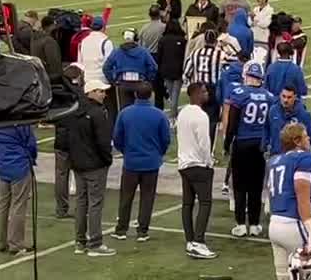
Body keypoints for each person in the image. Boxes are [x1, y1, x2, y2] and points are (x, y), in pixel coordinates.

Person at [112, 80, 172, 242]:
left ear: (135, 95)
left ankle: (121, 229)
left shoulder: (125, 113)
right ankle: (142, 231)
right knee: (147, 197)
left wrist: (126, 151)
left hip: (131, 162)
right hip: (151, 163)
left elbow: (117, 138)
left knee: (126, 197)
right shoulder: (159, 115)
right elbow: (166, 139)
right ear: (151, 95)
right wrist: (158, 153)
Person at [62, 80, 116, 257]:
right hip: (95, 166)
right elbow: (103, 142)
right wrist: (107, 160)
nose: (104, 94)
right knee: (95, 204)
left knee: (81, 202)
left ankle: (80, 242)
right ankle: (95, 243)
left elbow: (67, 139)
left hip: (78, 165)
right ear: (91, 92)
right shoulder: (98, 113)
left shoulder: (74, 111)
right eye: (100, 91)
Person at [225, 62, 275, 236]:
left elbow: (232, 122)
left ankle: (240, 224)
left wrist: (227, 142)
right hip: (259, 145)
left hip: (242, 143)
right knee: (255, 186)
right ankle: (254, 224)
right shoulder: (269, 96)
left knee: (240, 185)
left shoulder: (239, 94)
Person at [267, 123, 311, 280]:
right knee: (308, 275)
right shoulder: (305, 158)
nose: (309, 138)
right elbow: (302, 198)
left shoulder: (274, 161)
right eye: (305, 136)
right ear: (297, 141)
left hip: (274, 225)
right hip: (293, 225)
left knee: (283, 276)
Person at [178, 82, 218, 259]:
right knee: (205, 203)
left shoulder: (183, 113)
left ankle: (190, 240)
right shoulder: (201, 116)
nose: (206, 94)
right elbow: (204, 143)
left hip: (184, 164)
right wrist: (209, 162)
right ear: (195, 95)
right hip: (199, 165)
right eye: (203, 92)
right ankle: (199, 242)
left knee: (187, 204)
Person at [0, 123, 37, 255]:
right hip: (19, 167)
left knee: (2, 205)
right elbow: (31, 145)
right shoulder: (22, 124)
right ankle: (16, 244)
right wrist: (31, 158)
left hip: (2, 166)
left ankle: (1, 242)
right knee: (18, 206)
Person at [105, 28, 158, 112]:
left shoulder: (117, 51)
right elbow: (153, 67)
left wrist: (114, 80)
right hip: (140, 83)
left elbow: (106, 67)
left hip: (123, 83)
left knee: (125, 111)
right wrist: (148, 79)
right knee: (143, 110)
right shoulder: (143, 51)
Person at [157, 18, 188, 116]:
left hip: (166, 70)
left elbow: (159, 56)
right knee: (175, 94)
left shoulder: (163, 40)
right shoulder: (182, 40)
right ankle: (173, 114)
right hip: (178, 70)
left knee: (171, 94)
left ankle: (173, 114)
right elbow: (185, 55)